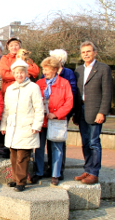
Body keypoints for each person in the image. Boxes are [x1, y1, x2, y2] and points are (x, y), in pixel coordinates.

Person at [0, 60, 44, 192]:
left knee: (23, 156)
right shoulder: (10, 89)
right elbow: (6, 109)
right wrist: (3, 125)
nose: (19, 75)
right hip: (13, 127)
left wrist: (37, 125)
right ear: (13, 74)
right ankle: (15, 178)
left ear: (26, 73)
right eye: (17, 73)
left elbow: (39, 108)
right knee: (13, 155)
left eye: (22, 72)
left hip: (27, 126)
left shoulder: (33, 88)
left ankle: (21, 181)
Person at [73, 41, 113, 185]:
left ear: (95, 52)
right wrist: (75, 114)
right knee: (85, 142)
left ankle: (94, 173)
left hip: (95, 111)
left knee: (94, 142)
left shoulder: (103, 69)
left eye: (88, 51)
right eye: (83, 52)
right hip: (82, 111)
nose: (86, 54)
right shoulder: (79, 70)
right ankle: (87, 169)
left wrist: (102, 112)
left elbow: (107, 92)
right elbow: (77, 93)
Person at [34, 57, 73, 186]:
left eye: (47, 69)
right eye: (43, 69)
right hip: (42, 120)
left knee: (56, 147)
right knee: (39, 148)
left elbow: (69, 102)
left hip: (56, 120)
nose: (44, 72)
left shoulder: (64, 83)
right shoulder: (39, 83)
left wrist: (56, 114)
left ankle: (55, 174)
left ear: (55, 69)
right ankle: (39, 172)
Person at [43, 49, 78, 179]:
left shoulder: (66, 77)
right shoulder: (43, 79)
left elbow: (70, 98)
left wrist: (58, 114)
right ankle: (50, 168)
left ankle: (57, 172)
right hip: (46, 116)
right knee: (47, 142)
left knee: (57, 143)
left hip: (59, 116)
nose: (45, 72)